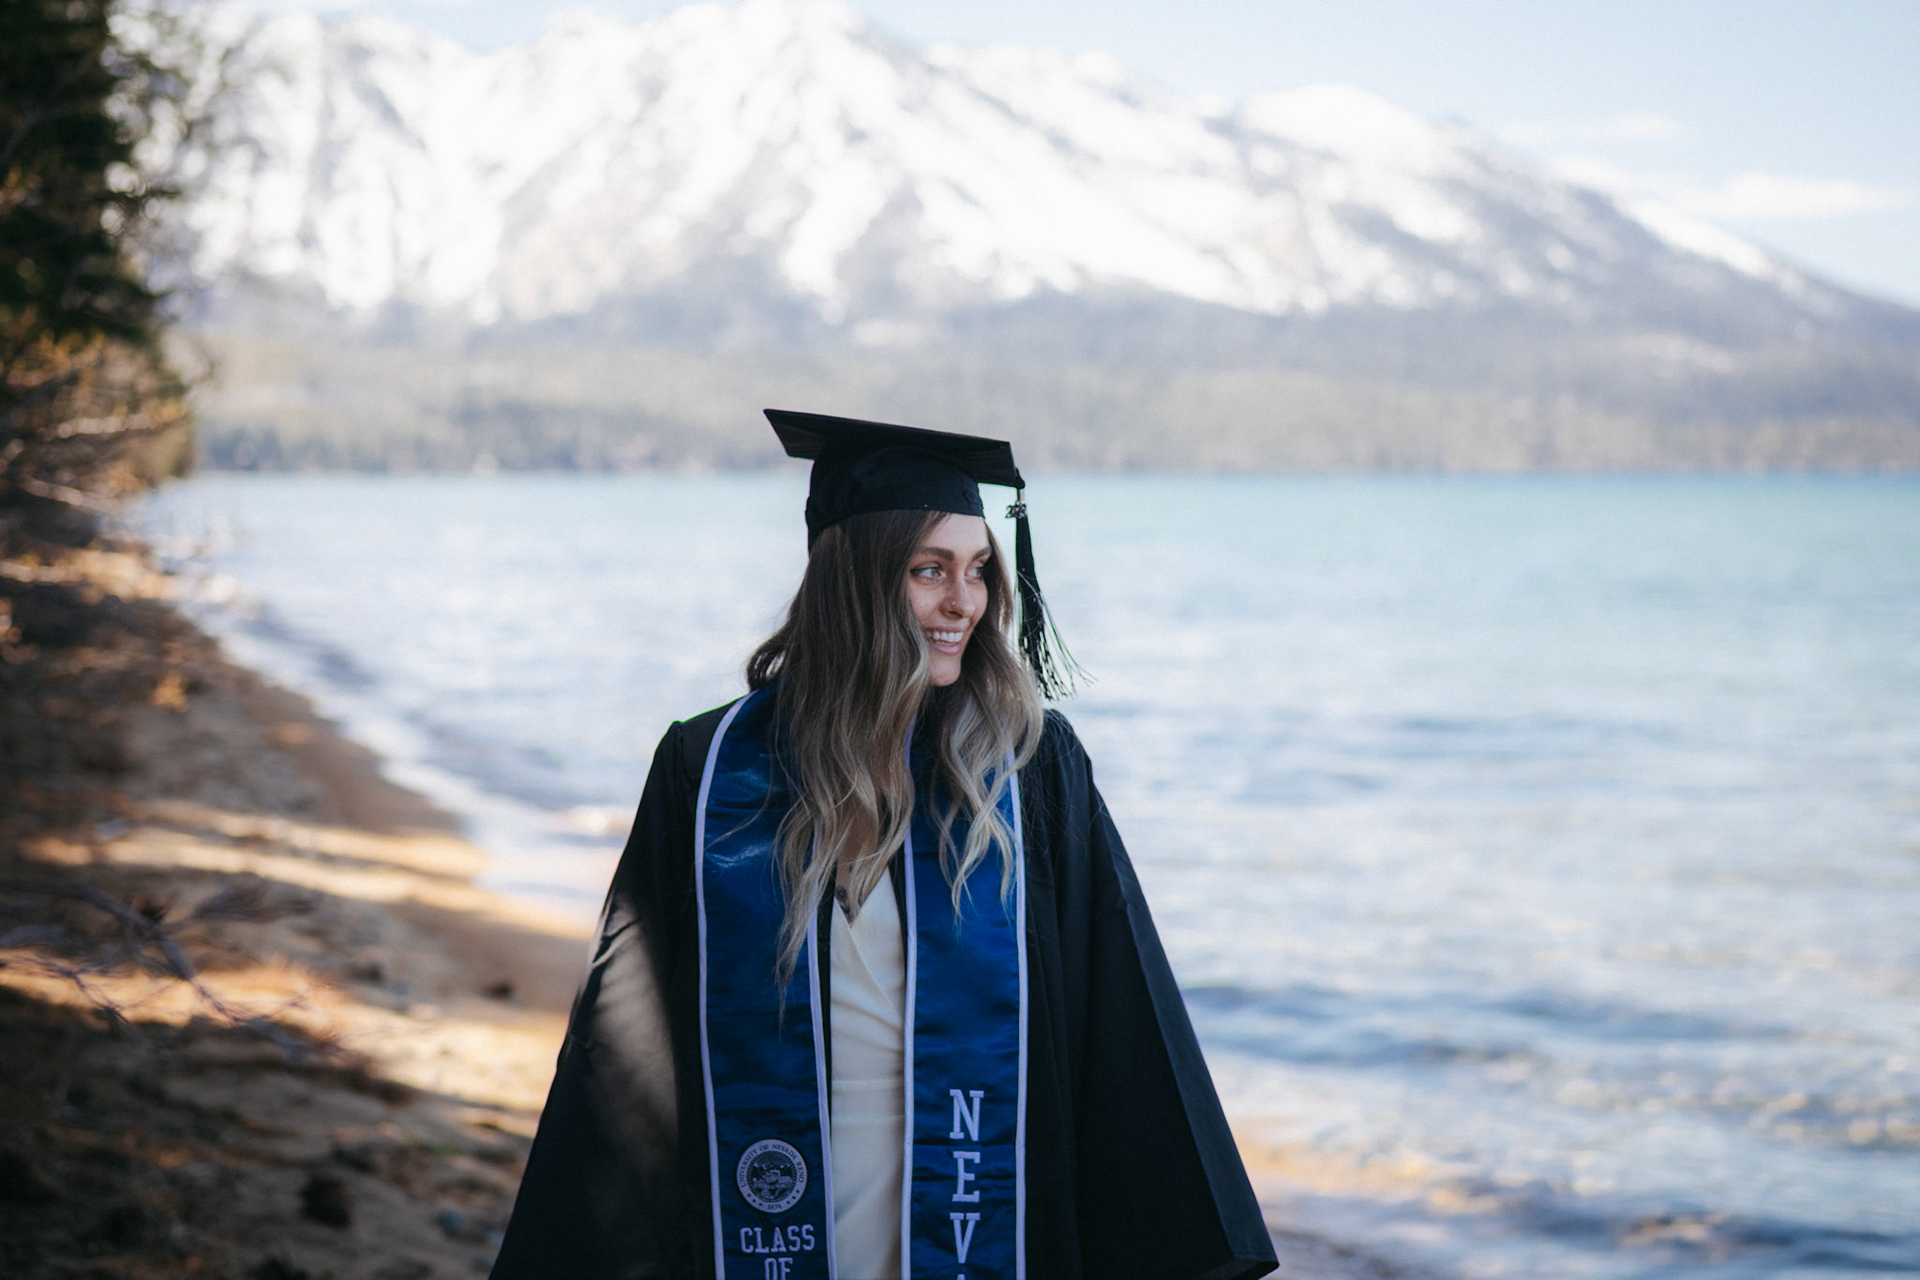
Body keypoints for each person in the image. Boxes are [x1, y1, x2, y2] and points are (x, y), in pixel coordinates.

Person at [491, 411, 1276, 1280]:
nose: (963, 603)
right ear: (855, 582)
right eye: (928, 570)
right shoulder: (709, 770)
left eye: (978, 572)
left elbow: (1120, 1029)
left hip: (984, 1223)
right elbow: (631, 1044)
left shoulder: (1027, 769)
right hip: (776, 1221)